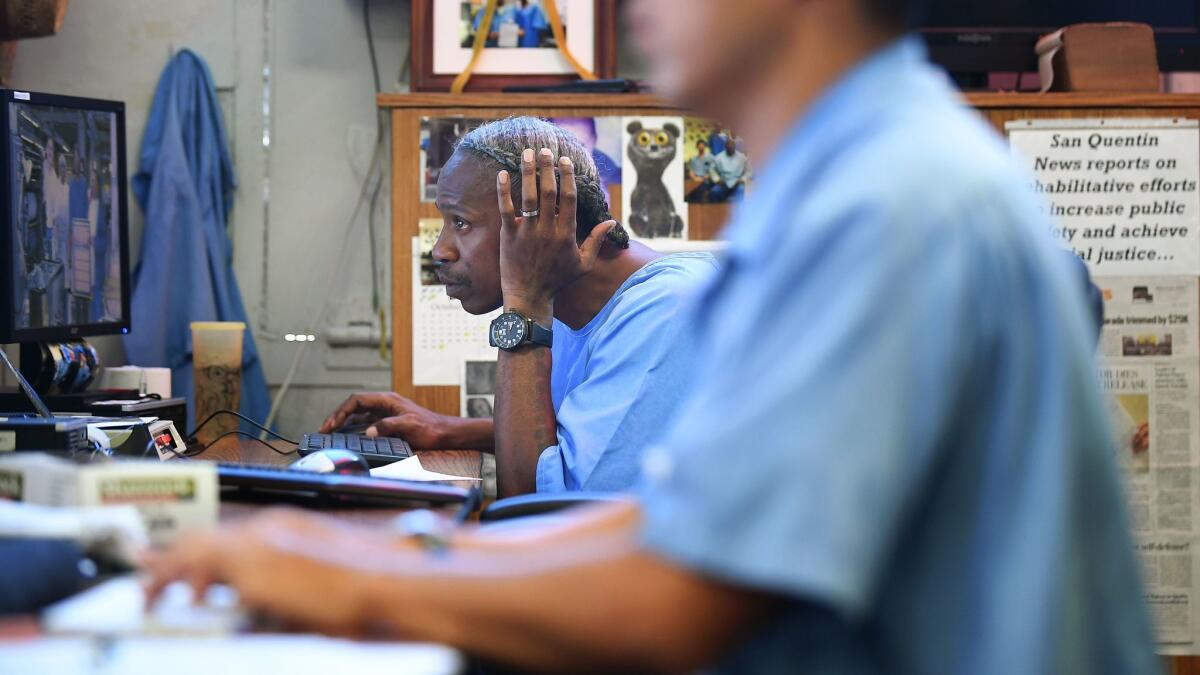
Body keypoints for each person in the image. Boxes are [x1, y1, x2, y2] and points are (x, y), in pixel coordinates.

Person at [145, 0, 1157, 673]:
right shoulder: (849, 175)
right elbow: (672, 521)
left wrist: (355, 576)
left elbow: (676, 596)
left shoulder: (885, 201)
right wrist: (373, 550)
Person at [321, 117, 717, 496]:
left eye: (461, 223)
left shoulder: (666, 312)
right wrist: (447, 428)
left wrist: (524, 305)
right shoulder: (573, 299)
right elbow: (577, 436)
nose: (439, 251)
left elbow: (534, 504)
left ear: (548, 224)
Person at [706, 137, 749, 202]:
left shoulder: (742, 157)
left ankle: (738, 210)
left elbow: (749, 171)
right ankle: (717, 211)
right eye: (728, 144)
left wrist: (742, 179)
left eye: (732, 144)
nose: (730, 146)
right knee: (713, 192)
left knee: (741, 190)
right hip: (723, 184)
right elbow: (712, 170)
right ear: (725, 146)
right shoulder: (718, 157)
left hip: (737, 184)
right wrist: (717, 180)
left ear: (735, 146)